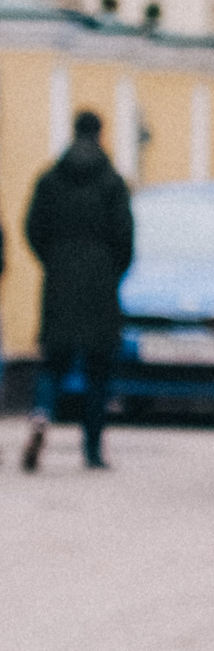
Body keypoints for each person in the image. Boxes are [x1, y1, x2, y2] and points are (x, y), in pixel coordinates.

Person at [21, 109, 134, 471]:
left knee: (53, 363)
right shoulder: (112, 183)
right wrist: (109, 270)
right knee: (98, 371)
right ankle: (92, 449)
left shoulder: (50, 179)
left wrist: (54, 261)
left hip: (59, 281)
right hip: (100, 285)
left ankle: (41, 414)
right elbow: (125, 239)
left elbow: (32, 227)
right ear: (100, 134)